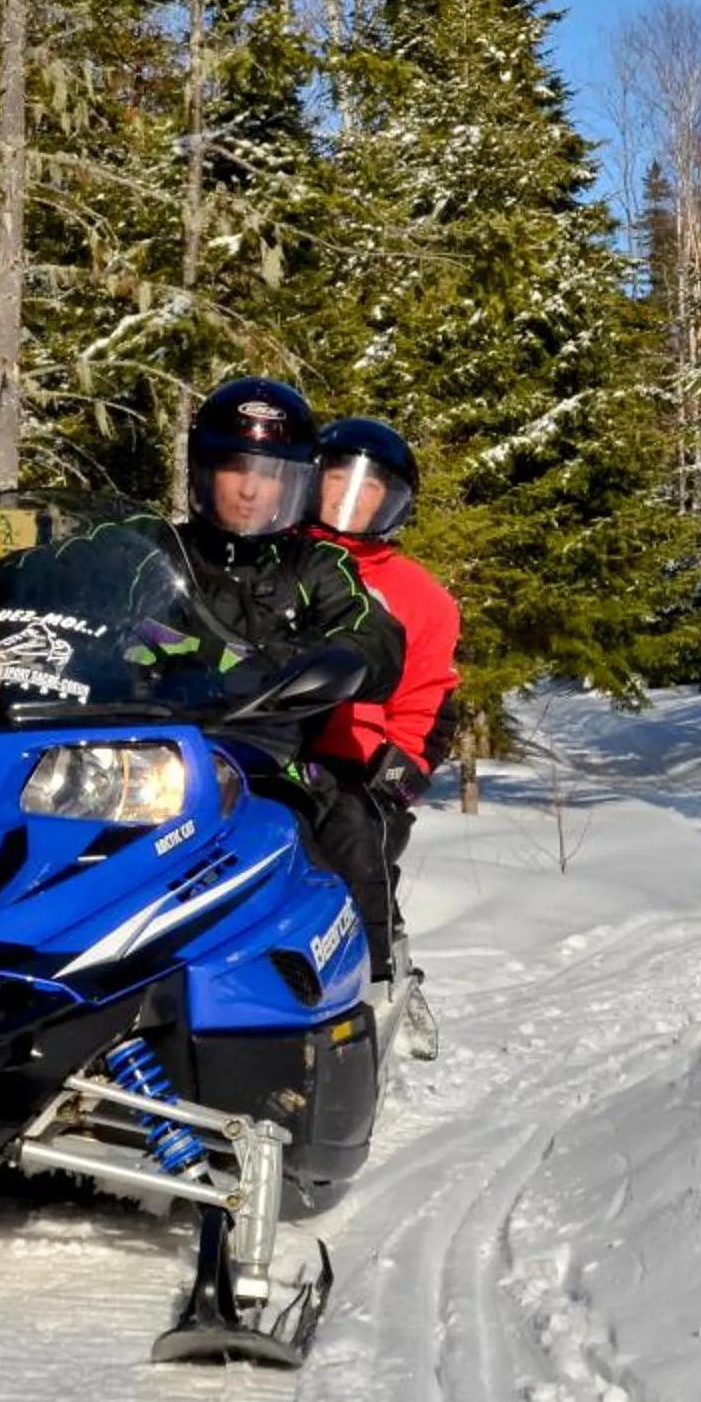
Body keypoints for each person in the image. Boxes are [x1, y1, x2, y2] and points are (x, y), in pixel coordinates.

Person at [167, 378, 407, 759]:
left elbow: (369, 628)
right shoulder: (157, 549)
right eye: (234, 467)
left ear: (294, 484)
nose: (249, 490)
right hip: (137, 748)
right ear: (204, 471)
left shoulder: (316, 565)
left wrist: (317, 661)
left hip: (271, 761)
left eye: (268, 474)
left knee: (303, 816)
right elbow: (78, 573)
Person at [301, 415, 462, 979]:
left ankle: (375, 974)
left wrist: (394, 782)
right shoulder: (269, 559)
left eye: (368, 487)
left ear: (391, 502)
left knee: (348, 835)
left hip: (350, 764)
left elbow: (425, 700)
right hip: (249, 740)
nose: (349, 497)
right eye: (338, 478)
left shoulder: (420, 597)